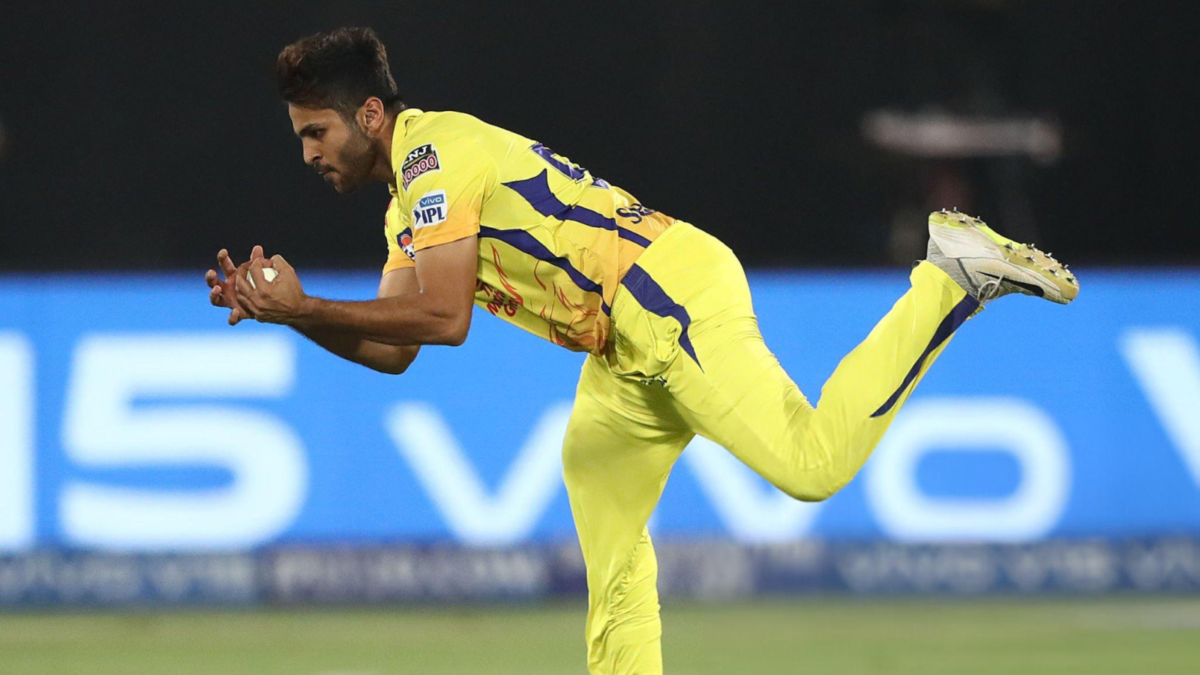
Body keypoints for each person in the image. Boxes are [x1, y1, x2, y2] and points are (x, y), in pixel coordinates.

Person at [205, 27, 1077, 675]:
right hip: (623, 343)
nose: (309, 153)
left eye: (315, 132)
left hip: (666, 296)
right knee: (606, 519)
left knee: (810, 466)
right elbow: (397, 347)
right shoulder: (410, 200)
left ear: (368, 114)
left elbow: (442, 317)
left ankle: (948, 278)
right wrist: (290, 316)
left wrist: (306, 301)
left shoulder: (433, 156)